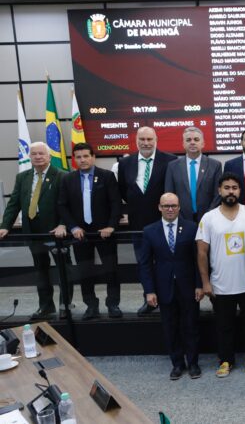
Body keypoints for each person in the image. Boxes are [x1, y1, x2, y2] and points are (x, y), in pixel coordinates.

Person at [197, 173, 245, 378]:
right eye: (227, 187)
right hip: (220, 285)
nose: (231, 191)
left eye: (235, 188)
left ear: (240, 191)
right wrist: (205, 282)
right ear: (219, 190)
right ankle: (226, 360)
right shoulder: (209, 218)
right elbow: (201, 252)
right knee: (224, 327)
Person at [0, 142, 70, 320]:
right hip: (33, 231)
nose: (38, 156)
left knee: (64, 270)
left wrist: (63, 224)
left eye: (41, 153)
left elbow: (68, 205)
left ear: (49, 156)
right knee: (41, 270)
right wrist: (5, 225)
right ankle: (45, 306)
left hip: (56, 231)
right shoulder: (22, 177)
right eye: (34, 154)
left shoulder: (62, 176)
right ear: (29, 157)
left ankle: (65, 305)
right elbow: (14, 203)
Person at [138, 193, 202, 380]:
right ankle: (177, 364)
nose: (170, 209)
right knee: (170, 327)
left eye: (173, 205)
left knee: (191, 326)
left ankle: (193, 363)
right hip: (163, 288)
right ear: (159, 207)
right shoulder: (150, 231)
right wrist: (149, 290)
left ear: (179, 207)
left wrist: (199, 285)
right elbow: (145, 264)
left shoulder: (191, 228)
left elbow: (198, 260)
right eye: (166, 206)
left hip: (188, 286)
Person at [117, 126, 178, 317]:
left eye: (149, 139)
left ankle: (169, 299)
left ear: (156, 140)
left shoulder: (170, 160)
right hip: (138, 225)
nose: (146, 143)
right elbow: (122, 192)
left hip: (164, 222)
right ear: (136, 141)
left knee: (166, 262)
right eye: (142, 139)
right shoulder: (125, 163)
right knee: (144, 263)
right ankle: (149, 300)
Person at [57, 142, 122, 320]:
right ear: (74, 160)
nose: (83, 160)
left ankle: (113, 304)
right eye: (78, 157)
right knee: (85, 272)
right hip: (80, 235)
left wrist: (111, 226)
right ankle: (91, 306)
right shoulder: (67, 179)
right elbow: (62, 206)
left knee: (111, 270)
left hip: (104, 233)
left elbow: (115, 203)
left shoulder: (107, 176)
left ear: (93, 157)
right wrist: (73, 227)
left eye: (86, 156)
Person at [165, 126, 222, 222]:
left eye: (196, 139)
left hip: (209, 219)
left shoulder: (215, 165)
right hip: (181, 219)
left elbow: (218, 194)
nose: (192, 142)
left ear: (203, 143)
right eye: (188, 140)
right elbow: (169, 194)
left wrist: (209, 215)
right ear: (183, 144)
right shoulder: (172, 166)